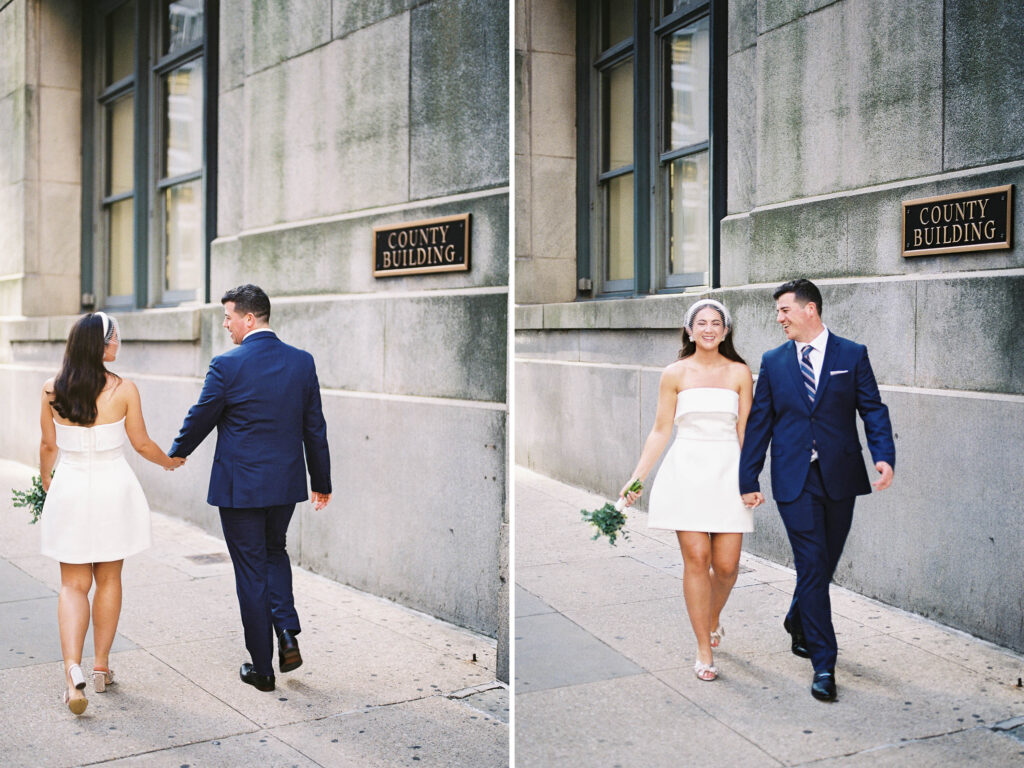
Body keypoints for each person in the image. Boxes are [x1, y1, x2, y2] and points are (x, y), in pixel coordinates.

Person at [169, 284, 332, 693]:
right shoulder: (301, 362)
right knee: (274, 551)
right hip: (284, 485)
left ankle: (262, 669)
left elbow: (201, 416)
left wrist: (176, 452)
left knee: (250, 571)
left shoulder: (227, 365)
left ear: (249, 318)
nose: (225, 325)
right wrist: (322, 482)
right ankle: (288, 632)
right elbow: (315, 428)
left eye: (228, 317)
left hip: (240, 489)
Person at [739, 278, 895, 702]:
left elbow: (872, 408)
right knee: (811, 562)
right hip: (794, 478)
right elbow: (760, 424)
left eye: (785, 310)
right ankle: (824, 664)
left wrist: (884, 455)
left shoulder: (852, 354)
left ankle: (797, 617)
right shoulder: (774, 361)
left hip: (840, 475)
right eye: (777, 312)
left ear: (811, 309)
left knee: (822, 564)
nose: (780, 318)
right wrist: (747, 479)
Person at [39, 312, 185, 715]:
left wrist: (47, 482)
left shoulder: (52, 390)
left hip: (70, 486)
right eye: (115, 337)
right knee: (108, 577)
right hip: (111, 489)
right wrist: (169, 462)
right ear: (102, 345)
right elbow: (141, 443)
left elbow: (48, 446)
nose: (118, 343)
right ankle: (101, 668)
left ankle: (73, 674)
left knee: (72, 584)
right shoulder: (124, 390)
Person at [621, 299, 754, 682]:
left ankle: (712, 617)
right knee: (697, 558)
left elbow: (746, 431)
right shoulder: (674, 373)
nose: (709, 328)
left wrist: (752, 480)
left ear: (725, 331)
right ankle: (702, 647)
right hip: (686, 472)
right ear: (689, 329)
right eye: (702, 323)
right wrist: (637, 479)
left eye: (716, 323)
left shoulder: (740, 373)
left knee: (726, 567)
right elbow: (661, 430)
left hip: (729, 472)